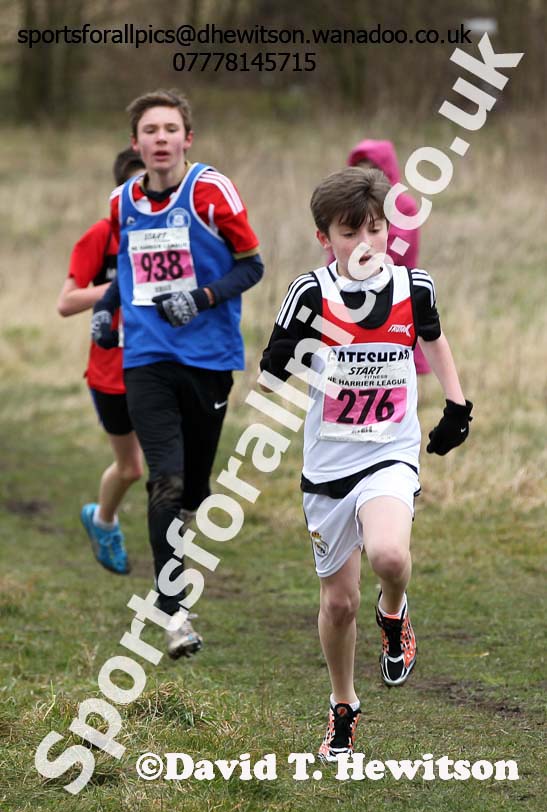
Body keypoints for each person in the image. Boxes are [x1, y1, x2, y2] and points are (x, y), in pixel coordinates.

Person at [260, 167, 472, 761]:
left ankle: (394, 611)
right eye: (349, 233)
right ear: (325, 238)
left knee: (389, 556)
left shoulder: (414, 286)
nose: (365, 243)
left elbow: (432, 337)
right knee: (338, 603)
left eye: (375, 230)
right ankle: (343, 704)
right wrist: (287, 355)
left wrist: (457, 405)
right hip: (329, 464)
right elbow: (273, 372)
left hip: (389, 451)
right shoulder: (310, 293)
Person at [92, 89, 263, 659]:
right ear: (136, 143)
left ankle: (178, 549)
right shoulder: (122, 201)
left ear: (187, 138)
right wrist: (106, 309)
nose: (160, 139)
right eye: (150, 130)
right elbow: (128, 266)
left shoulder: (211, 191)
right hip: (146, 358)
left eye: (170, 129)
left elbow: (253, 266)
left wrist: (202, 297)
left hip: (208, 359)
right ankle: (173, 614)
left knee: (191, 489)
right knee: (163, 479)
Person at [57, 148, 145, 575]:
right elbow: (67, 302)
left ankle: (176, 554)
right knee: (130, 469)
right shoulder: (101, 235)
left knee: (176, 465)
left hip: (162, 365)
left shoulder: (180, 233)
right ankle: (103, 520)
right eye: (137, 188)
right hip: (111, 373)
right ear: (120, 194)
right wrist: (122, 286)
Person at [345, 138, 430, 375]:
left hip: (394, 292)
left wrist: (362, 264)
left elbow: (397, 250)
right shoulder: (349, 206)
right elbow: (336, 251)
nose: (367, 175)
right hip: (352, 293)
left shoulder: (403, 206)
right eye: (360, 169)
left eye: (373, 168)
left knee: (399, 358)